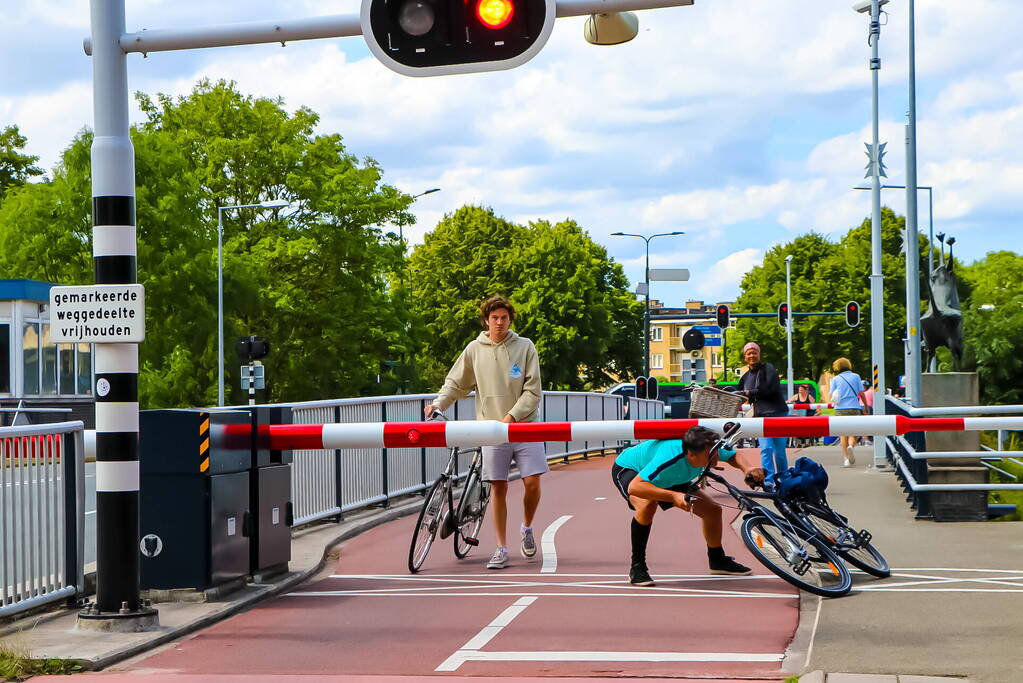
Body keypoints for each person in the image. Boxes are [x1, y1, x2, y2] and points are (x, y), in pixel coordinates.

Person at [425, 295, 544, 570]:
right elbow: (456, 383)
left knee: (533, 483)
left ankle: (526, 527)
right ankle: (501, 548)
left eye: (504, 317)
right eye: (494, 318)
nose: (500, 322)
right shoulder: (474, 349)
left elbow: (532, 390)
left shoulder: (525, 347)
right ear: (486, 321)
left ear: (510, 319)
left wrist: (511, 417)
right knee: (498, 487)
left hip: (524, 426)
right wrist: (438, 403)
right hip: (491, 430)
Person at [612, 426, 765, 586]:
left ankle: (717, 560)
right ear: (691, 455)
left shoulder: (707, 447)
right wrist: (674, 496)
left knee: (712, 510)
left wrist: (748, 468)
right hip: (633, 470)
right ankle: (637, 567)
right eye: (711, 456)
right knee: (647, 505)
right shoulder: (670, 456)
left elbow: (734, 455)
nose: (717, 457)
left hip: (671, 476)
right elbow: (635, 487)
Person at [737, 342, 789, 481]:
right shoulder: (745, 377)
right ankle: (769, 480)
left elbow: (772, 389)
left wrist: (751, 392)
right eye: (749, 353)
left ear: (759, 354)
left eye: (754, 352)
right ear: (745, 357)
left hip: (777, 413)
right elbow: (740, 396)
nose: (752, 355)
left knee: (779, 451)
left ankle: (783, 479)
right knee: (766, 449)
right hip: (760, 416)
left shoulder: (768, 369)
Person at [828, 358, 868, 467]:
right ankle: (851, 445)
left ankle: (846, 459)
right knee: (853, 432)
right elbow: (862, 393)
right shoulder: (856, 377)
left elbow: (831, 396)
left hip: (840, 409)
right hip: (854, 407)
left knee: (843, 434)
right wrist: (865, 406)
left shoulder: (835, 379)